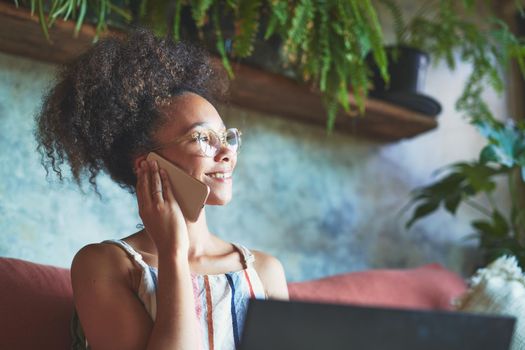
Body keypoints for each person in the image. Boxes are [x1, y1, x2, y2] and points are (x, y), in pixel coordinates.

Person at [35, 27, 289, 350]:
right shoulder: (104, 265)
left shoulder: (265, 273)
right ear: (147, 163)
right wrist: (172, 253)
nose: (226, 152)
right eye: (202, 138)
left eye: (227, 137)